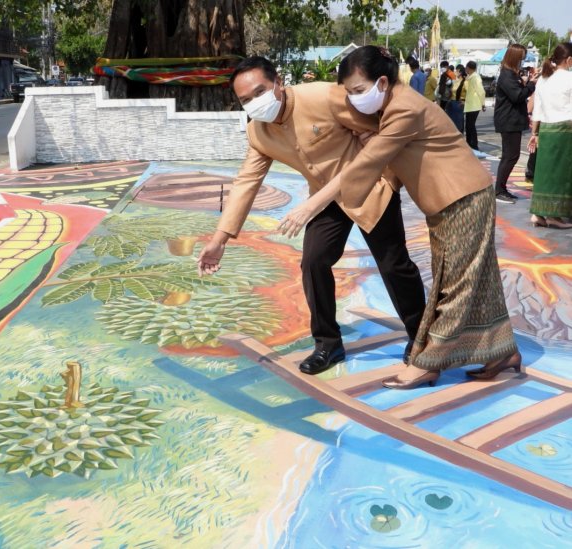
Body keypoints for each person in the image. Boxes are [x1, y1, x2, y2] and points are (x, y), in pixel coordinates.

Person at [278, 46, 520, 390]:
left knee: (456, 285)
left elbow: (366, 163)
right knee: (473, 279)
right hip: (444, 203)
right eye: (347, 92)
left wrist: (309, 205)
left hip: (464, 196)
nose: (352, 99)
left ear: (382, 82)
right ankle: (502, 352)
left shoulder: (403, 107)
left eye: (358, 91)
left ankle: (427, 363)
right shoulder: (391, 106)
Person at [196, 56, 425, 376]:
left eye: (259, 92)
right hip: (324, 199)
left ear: (278, 82)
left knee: (393, 264)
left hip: (370, 186)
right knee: (313, 262)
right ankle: (328, 343)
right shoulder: (258, 133)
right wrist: (220, 239)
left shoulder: (323, 96)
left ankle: (421, 336)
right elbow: (246, 182)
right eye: (245, 100)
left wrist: (377, 147)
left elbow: (379, 127)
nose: (254, 103)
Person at [527, 42, 572, 229]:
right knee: (562, 173)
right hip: (565, 131)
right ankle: (556, 216)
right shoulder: (569, 78)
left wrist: (534, 133)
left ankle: (538, 213)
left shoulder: (544, 79)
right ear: (569, 60)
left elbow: (537, 109)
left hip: (545, 130)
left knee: (544, 172)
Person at [494, 43, 538, 204]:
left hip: (512, 119)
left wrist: (527, 82)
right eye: (521, 59)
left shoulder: (511, 74)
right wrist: (532, 85)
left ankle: (501, 188)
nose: (522, 62)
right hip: (508, 120)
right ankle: (499, 190)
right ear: (514, 58)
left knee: (510, 155)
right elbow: (517, 96)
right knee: (510, 155)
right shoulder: (506, 75)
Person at [464, 61, 486, 152]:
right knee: (468, 125)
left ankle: (474, 145)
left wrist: (483, 103)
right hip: (470, 105)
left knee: (471, 125)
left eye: (466, 68)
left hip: (474, 105)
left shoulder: (476, 77)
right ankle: (469, 143)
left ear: (468, 68)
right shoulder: (471, 77)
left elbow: (481, 91)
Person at [445, 64, 467, 132]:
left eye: (456, 71)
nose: (455, 72)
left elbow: (469, 93)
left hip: (459, 104)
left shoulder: (465, 82)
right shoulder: (455, 81)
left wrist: (464, 102)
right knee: (451, 123)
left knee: (458, 123)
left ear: (460, 72)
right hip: (451, 103)